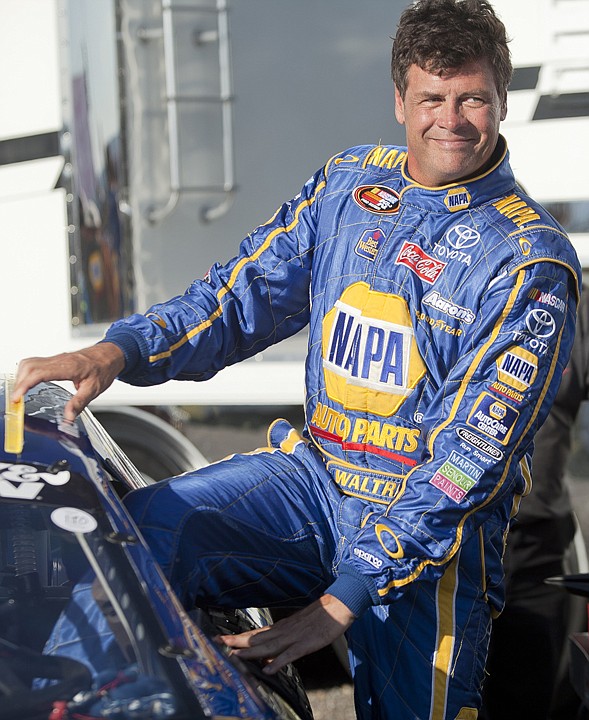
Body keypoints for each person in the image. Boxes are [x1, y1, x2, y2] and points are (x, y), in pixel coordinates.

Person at [13, 1, 582, 717]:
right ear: (398, 101)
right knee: (140, 535)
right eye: (431, 98)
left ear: (501, 100)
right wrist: (118, 349)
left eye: (472, 98)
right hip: (315, 483)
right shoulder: (350, 186)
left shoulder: (527, 259)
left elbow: (466, 460)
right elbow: (236, 297)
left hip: (429, 546)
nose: (451, 119)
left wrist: (340, 602)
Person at [481, 290, 589, 720]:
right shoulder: (446, 286)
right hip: (440, 541)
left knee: (534, 701)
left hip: (535, 549)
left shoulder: (570, 309)